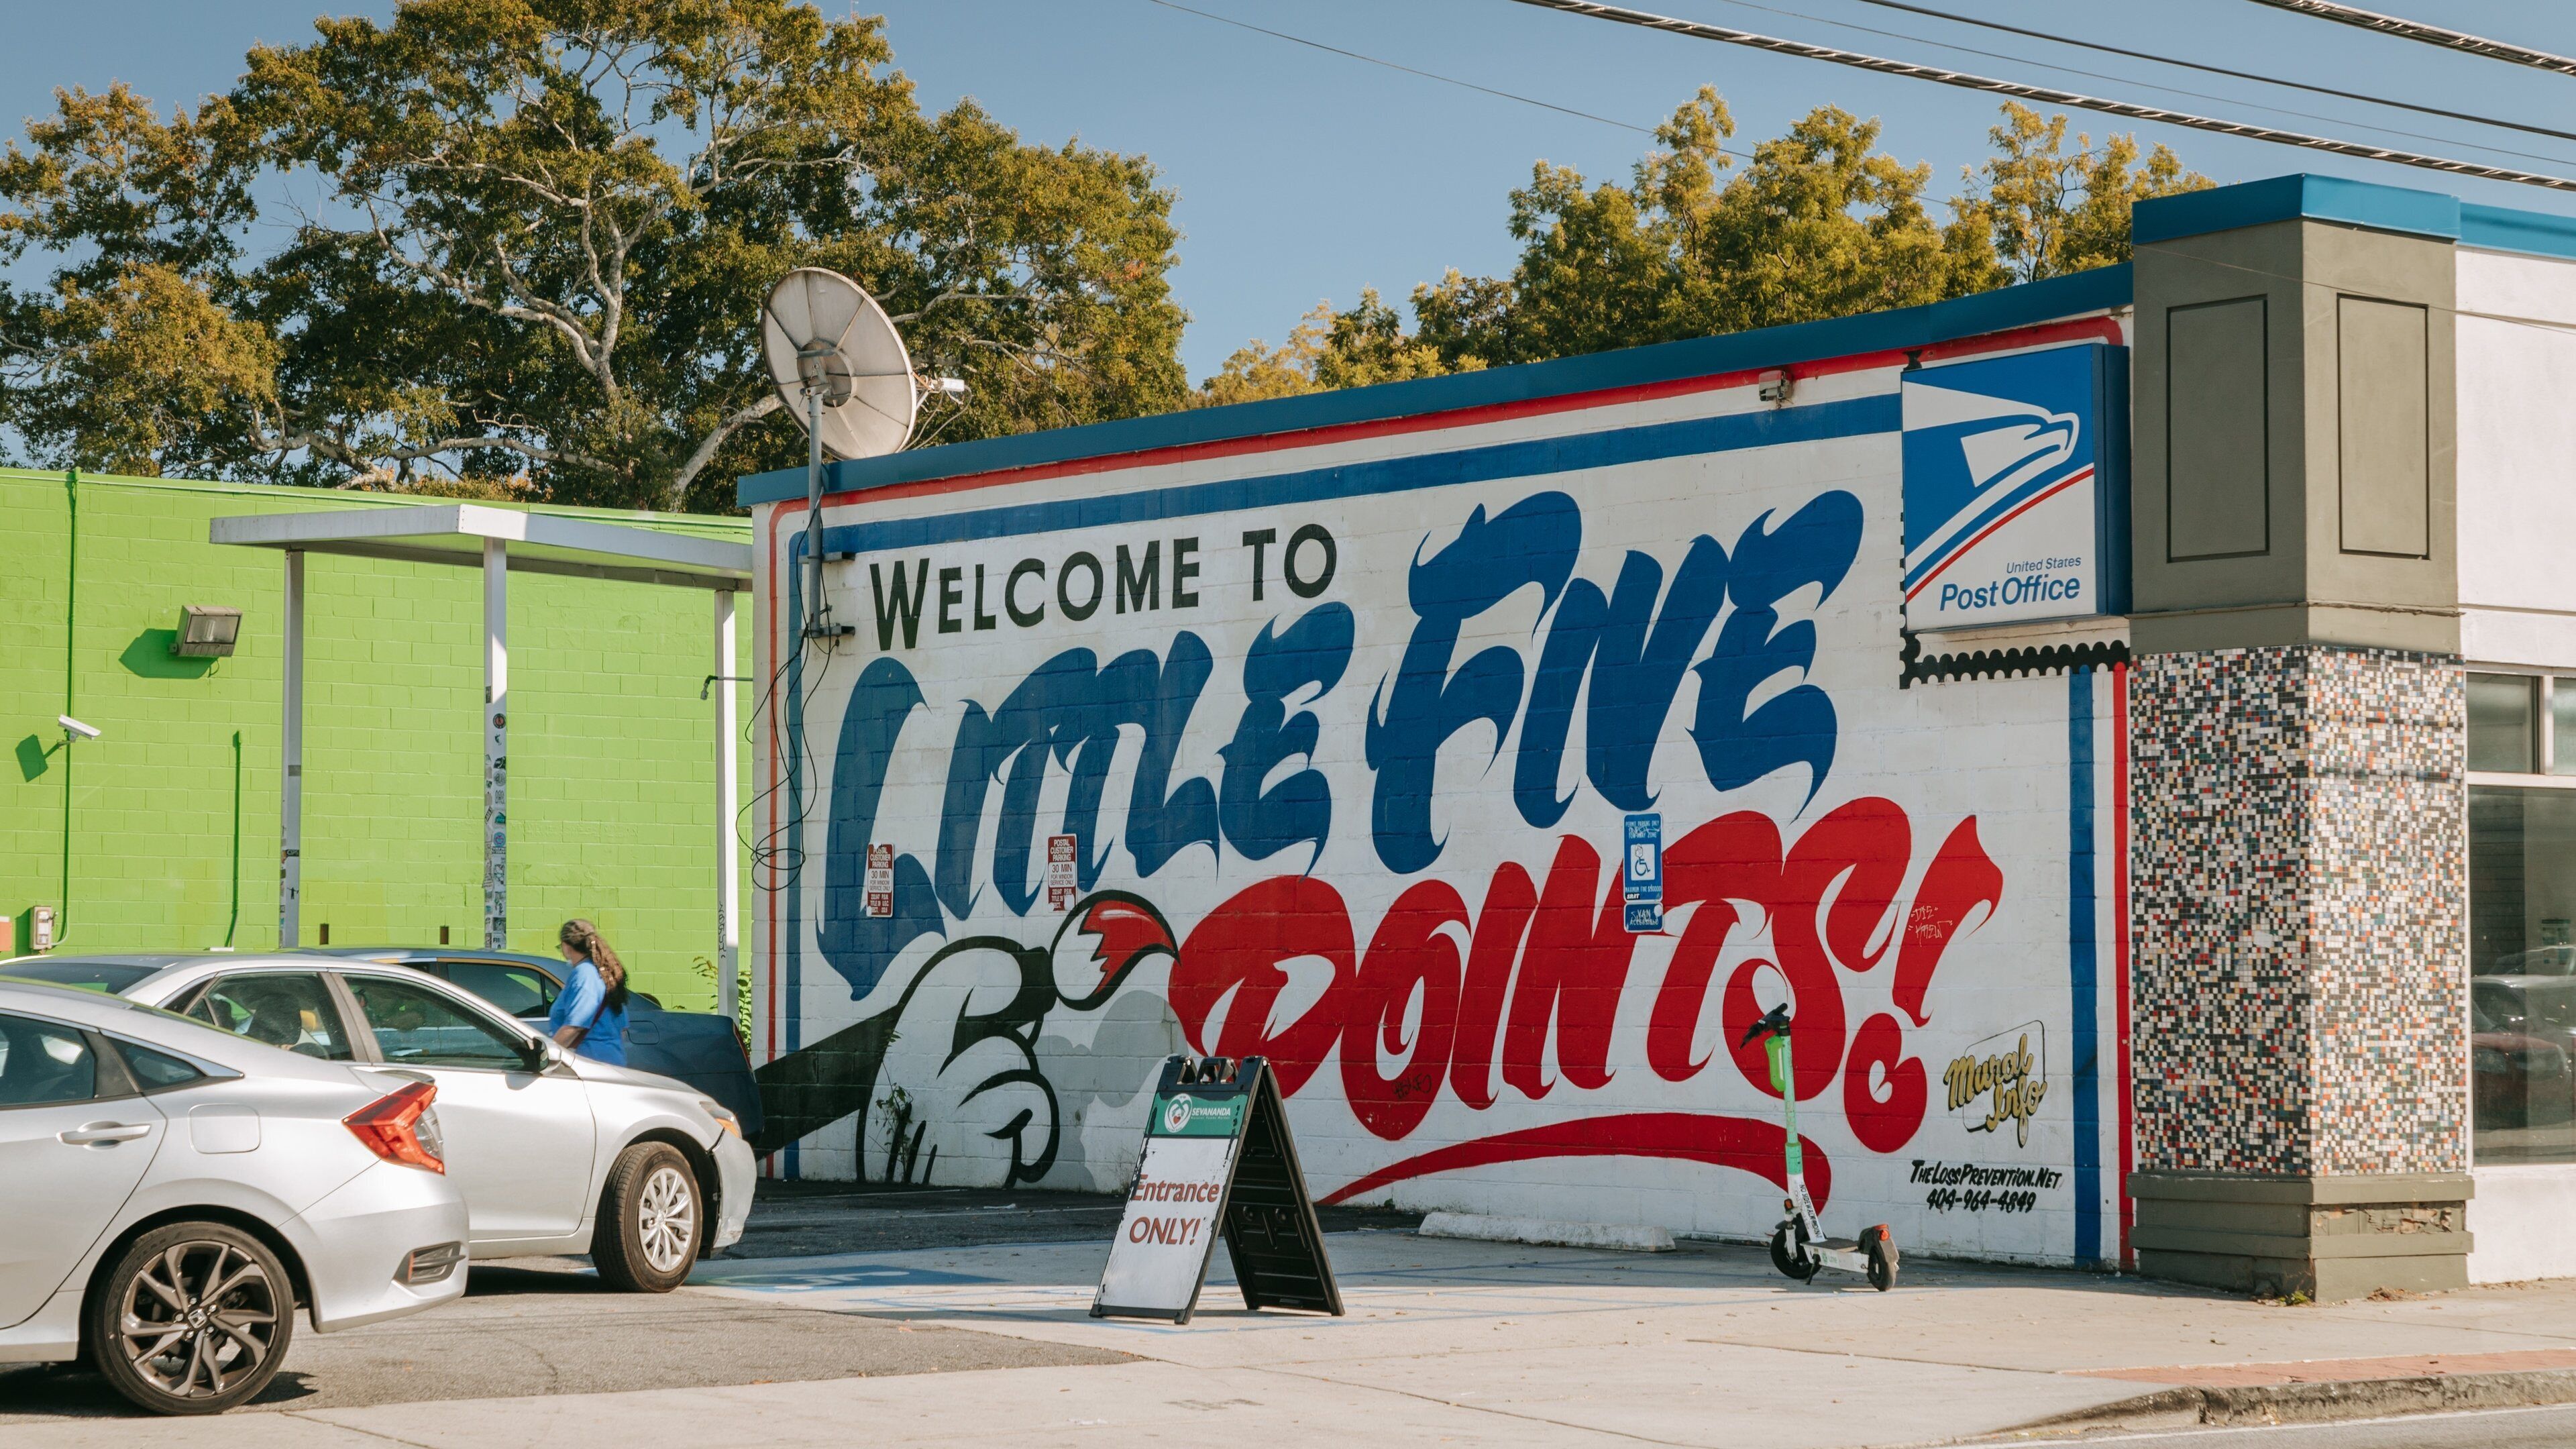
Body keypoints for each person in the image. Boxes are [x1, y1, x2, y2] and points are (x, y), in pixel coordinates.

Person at [548, 918, 631, 1065]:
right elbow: (622, 1031)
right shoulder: (604, 973)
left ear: (566, 946)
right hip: (611, 1060)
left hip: (588, 1062)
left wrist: (545, 1057)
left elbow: (574, 1027)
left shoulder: (584, 974)